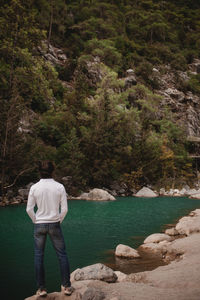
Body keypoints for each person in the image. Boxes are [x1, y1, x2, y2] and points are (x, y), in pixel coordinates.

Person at [26, 161, 73, 296]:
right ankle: (66, 287)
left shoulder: (34, 187)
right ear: (53, 171)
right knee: (62, 255)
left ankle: (41, 289)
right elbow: (64, 209)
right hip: (54, 224)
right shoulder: (59, 187)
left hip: (39, 225)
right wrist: (58, 220)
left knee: (38, 256)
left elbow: (29, 209)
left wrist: (36, 221)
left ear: (39, 172)